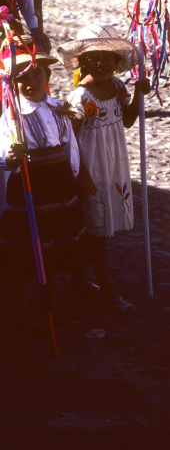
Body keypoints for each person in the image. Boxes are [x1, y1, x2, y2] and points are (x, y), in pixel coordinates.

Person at [57, 23, 150, 314]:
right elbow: (69, 140)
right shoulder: (80, 97)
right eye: (94, 57)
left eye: (107, 57)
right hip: (91, 167)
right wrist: (82, 173)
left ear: (116, 62)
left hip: (113, 165)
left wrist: (138, 93)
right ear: (83, 61)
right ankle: (109, 293)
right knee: (97, 233)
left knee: (94, 231)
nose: (101, 63)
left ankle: (77, 280)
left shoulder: (117, 86)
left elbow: (128, 120)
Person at [0, 35, 85, 331]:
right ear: (12, 82)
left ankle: (51, 303)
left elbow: (70, 148)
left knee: (48, 252)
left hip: (58, 192)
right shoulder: (12, 117)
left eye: (37, 73)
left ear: (47, 75)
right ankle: (22, 310)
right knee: (21, 253)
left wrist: (74, 178)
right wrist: (11, 156)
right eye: (22, 76)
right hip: (29, 190)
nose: (31, 81)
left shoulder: (58, 109)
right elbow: (3, 156)